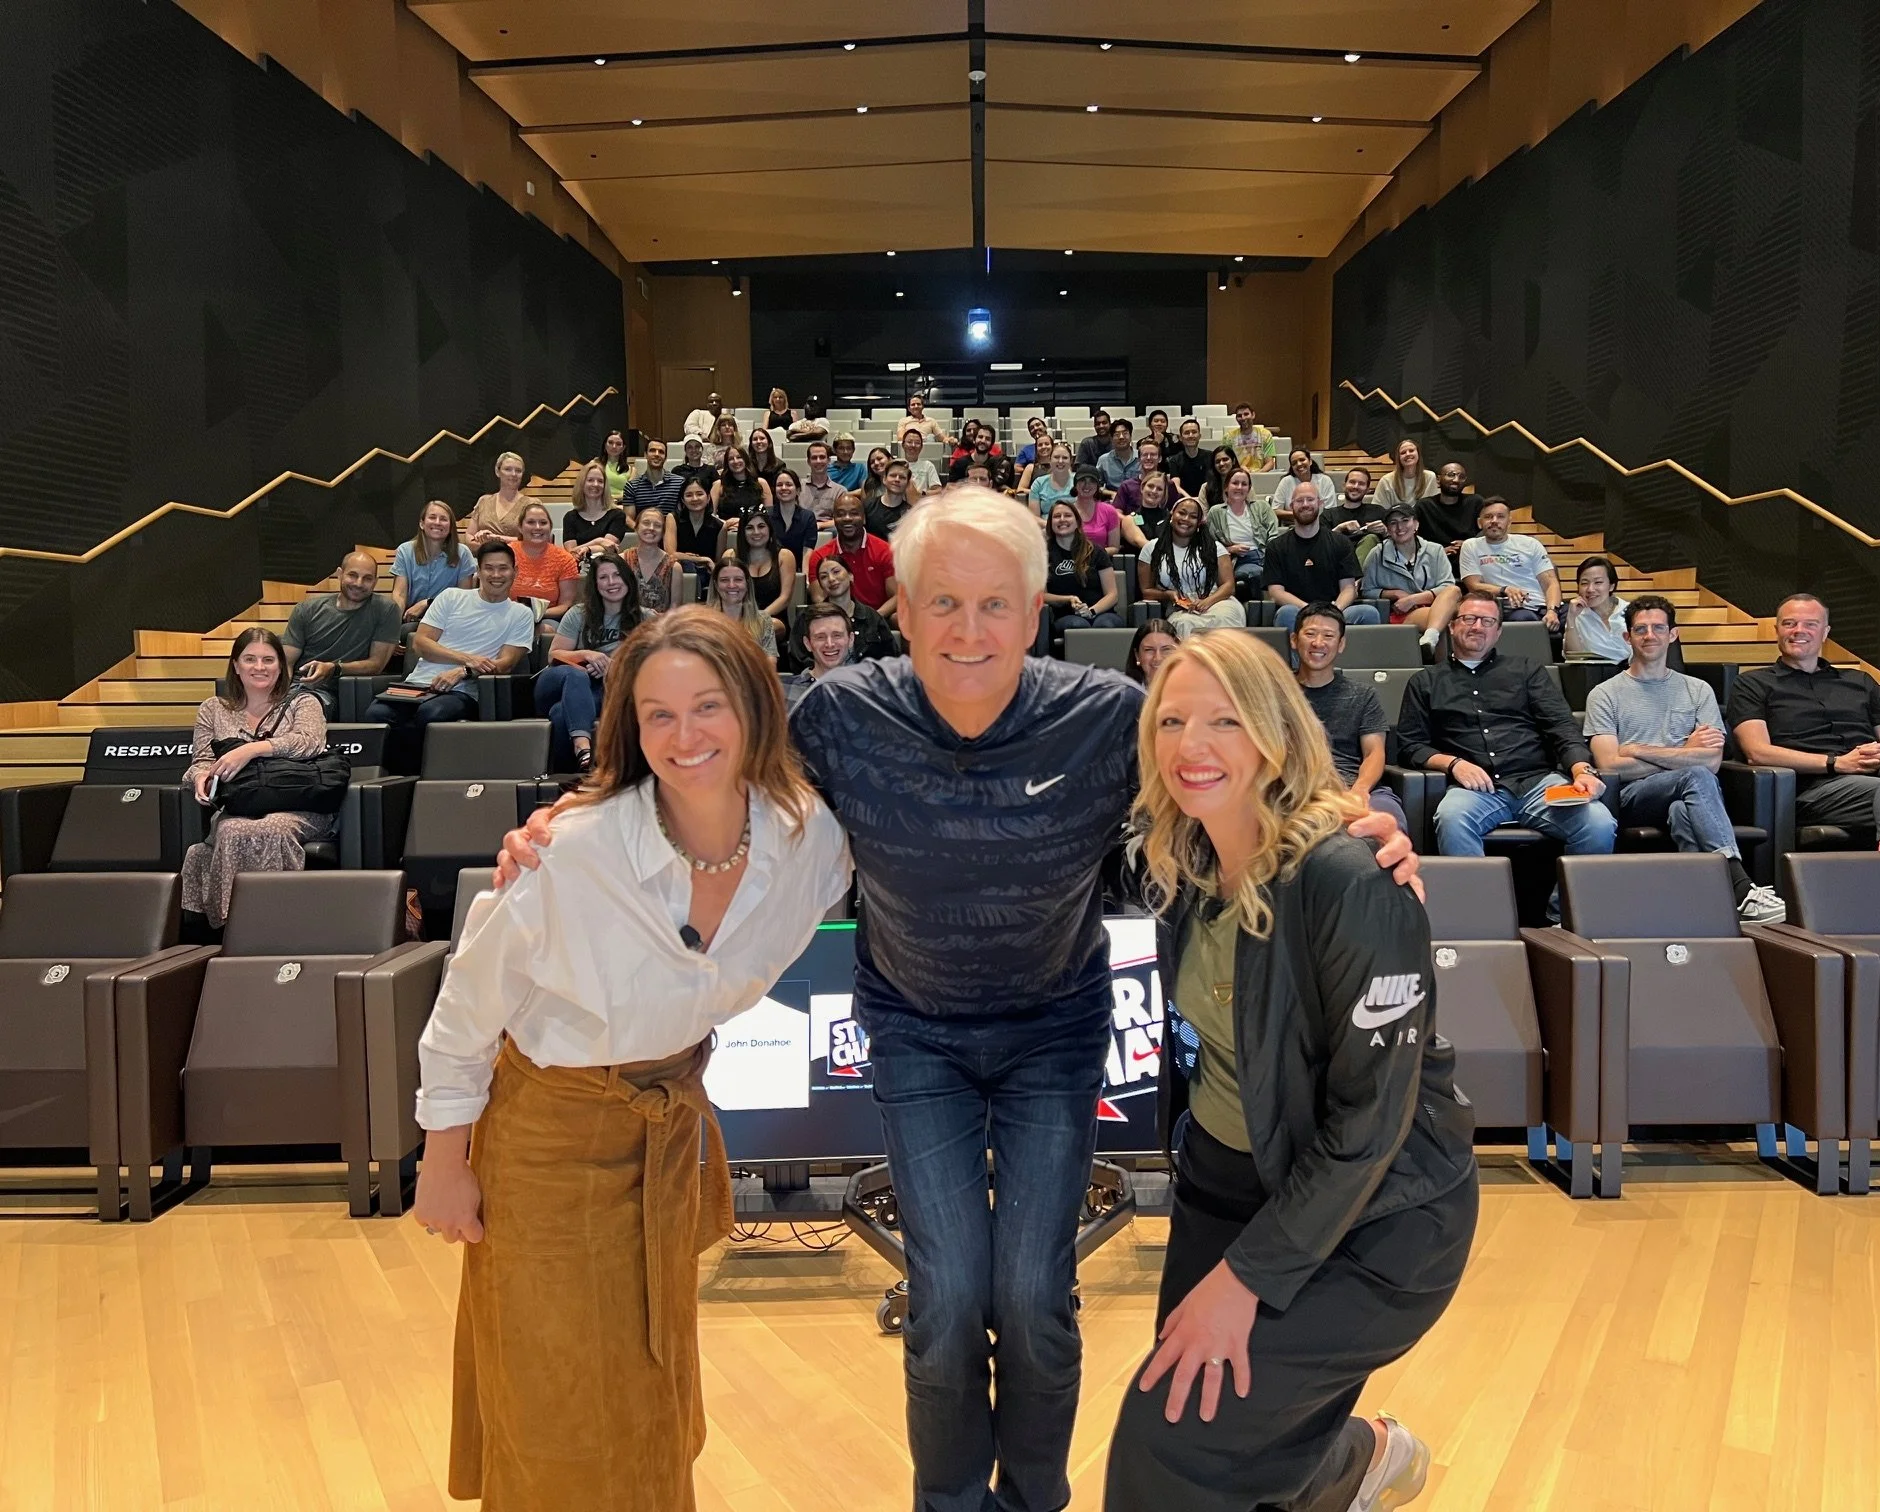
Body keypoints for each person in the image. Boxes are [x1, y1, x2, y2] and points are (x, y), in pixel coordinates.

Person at [493, 488, 1418, 1512]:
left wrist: (1354, 831)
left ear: (1034, 614)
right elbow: (706, 776)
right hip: (916, 1033)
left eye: (993, 606)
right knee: (942, 1302)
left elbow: (1225, 793)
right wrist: (570, 822)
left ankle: (1032, 1500)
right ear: (905, 609)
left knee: (1031, 1299)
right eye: (943, 603)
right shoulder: (843, 716)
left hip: (1054, 1034)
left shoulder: (1107, 720)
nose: (967, 632)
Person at [413, 608, 852, 1512]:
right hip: (546, 1141)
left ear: (755, 708)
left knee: (655, 1392)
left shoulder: (808, 843)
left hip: (664, 1138)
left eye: (708, 707)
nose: (686, 736)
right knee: (558, 1404)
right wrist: (444, 1164)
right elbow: (464, 1012)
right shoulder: (570, 851)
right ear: (631, 728)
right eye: (658, 715)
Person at [1102, 630, 1474, 1512]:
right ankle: (1354, 1462)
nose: (1193, 746)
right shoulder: (1181, 859)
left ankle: (1352, 1458)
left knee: (1171, 1444)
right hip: (1226, 1185)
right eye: (1174, 720)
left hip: (1377, 1221)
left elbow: (1369, 1129)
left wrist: (1247, 1279)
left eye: (1225, 721)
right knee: (1215, 1430)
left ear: (1276, 731)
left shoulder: (1354, 874)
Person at [1586, 596, 1786, 922]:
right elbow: (1610, 765)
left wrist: (1638, 749)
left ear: (1673, 634)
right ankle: (1739, 887)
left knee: (1684, 807)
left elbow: (1712, 762)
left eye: (1658, 628)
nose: (1650, 635)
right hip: (1634, 796)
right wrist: (1685, 751)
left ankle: (1705, 907)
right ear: (1627, 637)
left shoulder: (1698, 690)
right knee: (1694, 777)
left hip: (1689, 792)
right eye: (1640, 629)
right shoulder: (1605, 694)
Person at [1396, 590, 1616, 860]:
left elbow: (1561, 727)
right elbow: (1410, 745)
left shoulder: (1527, 671)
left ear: (1498, 632)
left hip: (1538, 783)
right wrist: (1453, 763)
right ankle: (1481, 903)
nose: (1477, 627)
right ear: (1452, 627)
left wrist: (1583, 771)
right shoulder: (1425, 682)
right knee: (1452, 819)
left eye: (1487, 621)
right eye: (1469, 618)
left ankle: (1564, 903)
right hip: (1475, 790)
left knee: (1598, 823)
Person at [1728, 593, 1880, 852]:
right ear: (1776, 629)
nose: (1799, 631)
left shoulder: (1860, 682)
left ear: (1825, 632)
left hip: (1874, 777)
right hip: (1810, 789)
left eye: (1810, 624)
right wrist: (1838, 763)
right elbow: (1757, 752)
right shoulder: (1752, 683)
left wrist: (1876, 757)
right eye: (1790, 623)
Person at [180, 628, 339, 931]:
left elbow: (309, 742)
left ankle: (276, 924)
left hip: (298, 805)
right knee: (231, 829)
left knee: (271, 827)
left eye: (268, 659)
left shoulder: (303, 703)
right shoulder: (213, 709)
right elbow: (200, 760)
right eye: (250, 659)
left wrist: (251, 751)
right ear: (236, 666)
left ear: (281, 666)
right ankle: (235, 929)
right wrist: (200, 775)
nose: (259, 667)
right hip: (240, 806)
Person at [366, 541, 536, 774]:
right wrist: (467, 659)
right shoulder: (451, 597)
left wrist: (463, 672)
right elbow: (422, 643)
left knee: (431, 714)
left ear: (515, 572)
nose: (496, 575)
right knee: (376, 714)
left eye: (503, 568)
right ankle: (394, 779)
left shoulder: (521, 614)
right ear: (478, 571)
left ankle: (415, 780)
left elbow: (505, 663)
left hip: (465, 690)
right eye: (489, 568)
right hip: (417, 685)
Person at [1290, 603, 1407, 829]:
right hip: (1296, 788)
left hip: (1356, 786)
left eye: (1328, 636)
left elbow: (1374, 752)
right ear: (1294, 640)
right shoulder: (1275, 693)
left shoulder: (1363, 695)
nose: (1318, 643)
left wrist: (1359, 791)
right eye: (1310, 634)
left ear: (1341, 644)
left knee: (1389, 821)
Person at [535, 553, 649, 771]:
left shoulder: (646, 618)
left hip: (604, 689)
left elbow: (654, 664)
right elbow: (554, 655)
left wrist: (615, 666)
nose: (611, 582)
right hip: (559, 681)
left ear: (628, 579)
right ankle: (583, 746)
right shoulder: (578, 613)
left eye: (617, 575)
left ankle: (570, 777)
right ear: (595, 584)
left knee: (560, 715)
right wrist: (588, 655)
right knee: (575, 675)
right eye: (603, 577)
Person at [281, 550, 400, 713]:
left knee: (302, 709)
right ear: (339, 574)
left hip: (329, 693)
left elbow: (376, 664)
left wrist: (333, 668)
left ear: (375, 582)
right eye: (353, 575)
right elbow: (286, 662)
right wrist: (276, 696)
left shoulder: (386, 610)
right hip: (294, 686)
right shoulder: (307, 610)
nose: (358, 583)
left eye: (367, 578)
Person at [1262, 481, 1379, 630]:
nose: (1305, 504)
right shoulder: (1276, 546)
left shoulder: (1341, 542)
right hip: (1298, 611)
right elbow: (1276, 593)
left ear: (1320, 503)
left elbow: (1348, 589)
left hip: (1334, 609)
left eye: (1310, 499)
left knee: (1368, 613)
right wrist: (1309, 610)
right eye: (1299, 500)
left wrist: (1334, 610)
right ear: (1291, 506)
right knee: (1286, 613)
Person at [1359, 504, 1461, 652]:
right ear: (1387, 529)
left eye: (1405, 520)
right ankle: (1438, 657)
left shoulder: (1435, 550)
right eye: (1393, 523)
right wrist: (1394, 594)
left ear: (1416, 524)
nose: (1400, 527)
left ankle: (1430, 638)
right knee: (1445, 619)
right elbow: (1366, 590)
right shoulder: (1377, 554)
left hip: (1433, 606)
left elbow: (1447, 586)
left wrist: (1412, 599)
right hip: (1400, 614)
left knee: (1453, 591)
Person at [1140, 497, 1244, 638]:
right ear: (1172, 515)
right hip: (1179, 608)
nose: (1186, 519)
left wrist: (1207, 602)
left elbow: (1228, 586)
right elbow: (1146, 591)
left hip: (1216, 601)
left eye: (1193, 516)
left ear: (1199, 523)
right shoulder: (1151, 548)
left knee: (1226, 618)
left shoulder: (1215, 548)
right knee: (1185, 624)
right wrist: (1168, 595)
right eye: (1182, 513)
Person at [1457, 497, 1560, 628]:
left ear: (1509, 522)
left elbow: (1551, 582)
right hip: (1512, 608)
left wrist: (1552, 611)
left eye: (1500, 517)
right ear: (1479, 523)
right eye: (1488, 517)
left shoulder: (1530, 543)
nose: (1494, 521)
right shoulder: (1471, 546)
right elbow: (1474, 585)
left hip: (1545, 606)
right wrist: (1504, 590)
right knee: (1525, 619)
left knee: (1578, 614)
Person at [806, 495, 897, 618]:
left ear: (864, 518)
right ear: (834, 519)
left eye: (854, 513)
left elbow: (896, 596)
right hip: (836, 621)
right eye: (841, 514)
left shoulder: (885, 551)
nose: (847, 518)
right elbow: (819, 599)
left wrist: (873, 619)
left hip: (877, 618)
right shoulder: (819, 556)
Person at [1043, 499, 1123, 631]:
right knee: (1078, 626)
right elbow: (1042, 595)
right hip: (1066, 615)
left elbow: (1112, 594)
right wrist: (1068, 599)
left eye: (1068, 515)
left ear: (1077, 522)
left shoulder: (1096, 551)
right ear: (1050, 523)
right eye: (1057, 516)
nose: (1062, 519)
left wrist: (1091, 611)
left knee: (1106, 625)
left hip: (1101, 612)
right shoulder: (1043, 554)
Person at [393, 500, 477, 624]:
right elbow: (399, 594)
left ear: (450, 527)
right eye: (432, 517)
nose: (437, 522)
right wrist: (393, 625)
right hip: (410, 619)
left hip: (447, 621)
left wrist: (428, 603)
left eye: (443, 519)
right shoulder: (404, 551)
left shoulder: (463, 553)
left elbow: (463, 599)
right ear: (422, 523)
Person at [1205, 466, 1280, 593]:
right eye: (1235, 483)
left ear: (1249, 489)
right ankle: (1260, 610)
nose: (1239, 487)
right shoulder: (1216, 512)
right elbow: (1210, 545)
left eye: (1244, 484)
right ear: (1226, 487)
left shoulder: (1262, 507)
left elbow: (1273, 536)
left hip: (1265, 556)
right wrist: (1229, 549)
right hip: (1238, 560)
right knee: (1253, 574)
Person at [807, 556, 896, 661]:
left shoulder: (872, 617)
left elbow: (892, 657)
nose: (831, 579)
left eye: (836, 572)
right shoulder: (809, 618)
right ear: (821, 585)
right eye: (824, 577)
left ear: (851, 576)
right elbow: (800, 660)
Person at [509, 504, 579, 623]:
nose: (537, 527)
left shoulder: (565, 559)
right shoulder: (506, 554)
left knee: (547, 629)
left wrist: (535, 614)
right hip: (509, 616)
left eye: (543, 523)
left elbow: (565, 606)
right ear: (520, 527)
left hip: (547, 618)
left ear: (550, 527)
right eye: (531, 522)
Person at [781, 600, 858, 710]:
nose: (830, 644)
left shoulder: (870, 691)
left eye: (837, 635)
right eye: (820, 637)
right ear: (808, 644)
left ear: (851, 640)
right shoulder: (783, 691)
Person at [734, 509, 796, 635]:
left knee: (768, 626)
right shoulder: (731, 556)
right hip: (738, 618)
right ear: (742, 532)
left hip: (773, 619)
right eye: (750, 528)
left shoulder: (784, 556)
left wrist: (758, 618)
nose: (756, 532)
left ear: (769, 529)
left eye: (761, 526)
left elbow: (785, 598)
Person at [707, 555, 778, 663]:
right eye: (724, 580)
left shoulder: (763, 621)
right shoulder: (703, 621)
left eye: (738, 580)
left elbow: (770, 667)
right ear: (716, 585)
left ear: (747, 584)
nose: (731, 585)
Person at [1561, 556, 1629, 663]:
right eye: (1584, 583)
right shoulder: (1577, 616)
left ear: (1611, 586)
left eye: (1598, 582)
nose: (1590, 589)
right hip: (1594, 675)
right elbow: (1573, 658)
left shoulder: (1631, 612)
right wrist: (1571, 619)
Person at [562, 463, 629, 558]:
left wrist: (587, 548)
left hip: (607, 567)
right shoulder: (570, 517)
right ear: (582, 483)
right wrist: (598, 541)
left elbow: (609, 547)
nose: (596, 484)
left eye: (600, 481)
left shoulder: (617, 515)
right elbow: (571, 553)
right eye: (590, 480)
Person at [671, 478, 724, 596]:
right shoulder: (673, 519)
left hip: (708, 577)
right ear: (683, 500)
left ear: (708, 497)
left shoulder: (720, 526)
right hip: (679, 575)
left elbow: (717, 562)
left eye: (699, 494)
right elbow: (671, 554)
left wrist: (687, 556)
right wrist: (702, 559)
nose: (695, 499)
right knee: (686, 565)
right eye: (689, 495)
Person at [464, 451, 529, 546]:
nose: (514, 474)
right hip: (484, 558)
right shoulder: (484, 501)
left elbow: (532, 541)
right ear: (497, 472)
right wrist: (483, 543)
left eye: (518, 471)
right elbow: (469, 536)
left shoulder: (531, 504)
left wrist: (495, 539)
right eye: (508, 469)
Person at [1072, 467, 1144, 553]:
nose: (1087, 484)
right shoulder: (1067, 510)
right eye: (1082, 480)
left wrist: (1092, 554)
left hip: (1100, 562)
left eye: (1092, 481)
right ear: (1075, 484)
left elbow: (1114, 548)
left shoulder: (1109, 511)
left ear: (1098, 486)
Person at [1415, 462, 1478, 559]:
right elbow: (1414, 538)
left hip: (1469, 558)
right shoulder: (1424, 506)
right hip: (1433, 560)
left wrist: (1468, 545)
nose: (1456, 480)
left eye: (1461, 476)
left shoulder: (1475, 502)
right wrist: (1438, 552)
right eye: (1451, 475)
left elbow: (1485, 534)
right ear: (1438, 480)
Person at [625, 506, 682, 613]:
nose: (651, 528)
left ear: (663, 532)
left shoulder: (674, 567)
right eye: (646, 523)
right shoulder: (622, 560)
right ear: (636, 527)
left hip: (660, 626)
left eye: (657, 525)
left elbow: (675, 609)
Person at [1321, 466, 1386, 546]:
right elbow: (1320, 544)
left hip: (1371, 556)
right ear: (1344, 485)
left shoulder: (1378, 511)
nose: (1355, 486)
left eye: (1361, 484)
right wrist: (1339, 528)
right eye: (1352, 482)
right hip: (1338, 556)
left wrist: (1385, 532)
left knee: (1371, 538)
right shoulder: (1328, 515)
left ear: (1367, 490)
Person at [711, 445, 771, 526]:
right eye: (731, 459)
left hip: (753, 533)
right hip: (727, 532)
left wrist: (742, 522)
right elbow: (711, 517)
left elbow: (769, 516)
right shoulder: (719, 485)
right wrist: (727, 523)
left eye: (739, 457)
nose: (735, 461)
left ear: (746, 459)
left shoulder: (761, 483)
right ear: (727, 463)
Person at [1369, 438, 1431, 512]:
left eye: (1411, 450)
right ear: (1399, 458)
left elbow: (1433, 509)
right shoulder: (1386, 481)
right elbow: (1378, 511)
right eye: (1403, 453)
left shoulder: (1430, 477)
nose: (1408, 454)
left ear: (1418, 454)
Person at [1269, 449, 1335, 515]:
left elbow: (1331, 511)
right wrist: (1299, 516)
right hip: (1292, 524)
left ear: (1310, 461)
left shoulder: (1325, 480)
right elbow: (1275, 510)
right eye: (1294, 463)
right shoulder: (1286, 482)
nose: (1299, 464)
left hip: (1321, 524)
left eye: (1302, 460)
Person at [1027, 438, 1079, 516]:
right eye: (1056, 457)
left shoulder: (1079, 480)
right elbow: (1034, 518)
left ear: (1071, 461)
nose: (1060, 461)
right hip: (1045, 527)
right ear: (1050, 459)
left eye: (1065, 458)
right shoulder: (1038, 483)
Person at [867, 459, 918, 540]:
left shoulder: (911, 514)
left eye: (902, 477)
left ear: (907, 483)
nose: (897, 479)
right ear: (884, 479)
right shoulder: (867, 507)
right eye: (893, 475)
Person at [800, 440, 848, 522]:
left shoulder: (840, 491)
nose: (818, 461)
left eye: (822, 457)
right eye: (814, 458)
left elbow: (842, 519)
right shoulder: (798, 486)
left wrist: (820, 525)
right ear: (808, 461)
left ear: (828, 460)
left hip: (829, 531)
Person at [1221, 403, 1277, 473]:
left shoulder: (1265, 435)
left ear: (1253, 415)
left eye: (1246, 414)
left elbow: (1270, 463)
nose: (1243, 418)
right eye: (1239, 416)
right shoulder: (1228, 437)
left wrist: (1258, 474)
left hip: (1261, 474)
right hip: (1237, 475)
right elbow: (1226, 462)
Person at [1167, 418, 1214, 499]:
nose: (1191, 435)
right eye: (1187, 433)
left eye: (1194, 432)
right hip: (1184, 500)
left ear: (1199, 436)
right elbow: (1176, 487)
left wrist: (1201, 500)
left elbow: (1214, 483)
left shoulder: (1211, 456)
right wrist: (1192, 501)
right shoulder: (1174, 460)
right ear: (1181, 438)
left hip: (1207, 500)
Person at [1127, 618, 1180, 684]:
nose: (1158, 658)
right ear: (1137, 655)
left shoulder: (1192, 689)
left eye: (1166, 649)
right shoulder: (1123, 692)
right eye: (1149, 650)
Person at [1098, 419, 1143, 489]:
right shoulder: (1103, 460)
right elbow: (1097, 486)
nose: (1121, 437)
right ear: (1112, 438)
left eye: (1125, 433)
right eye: (1117, 434)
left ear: (1131, 436)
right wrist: (1111, 494)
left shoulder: (1142, 457)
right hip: (1112, 498)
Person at [899, 428, 943, 494]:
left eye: (917, 443)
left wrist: (922, 494)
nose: (913, 445)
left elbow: (938, 491)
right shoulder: (896, 465)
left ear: (921, 447)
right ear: (903, 445)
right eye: (909, 442)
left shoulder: (928, 465)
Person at [1198, 445, 1242, 512]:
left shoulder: (1244, 485)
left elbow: (1253, 511)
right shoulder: (1205, 488)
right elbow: (1204, 515)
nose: (1221, 463)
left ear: (1233, 461)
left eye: (1225, 459)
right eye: (1217, 461)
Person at [600, 429, 638, 502]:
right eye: (610, 442)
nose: (614, 446)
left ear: (623, 448)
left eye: (618, 444)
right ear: (605, 445)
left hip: (622, 505)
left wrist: (613, 498)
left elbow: (630, 494)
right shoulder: (595, 464)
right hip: (600, 504)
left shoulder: (631, 470)